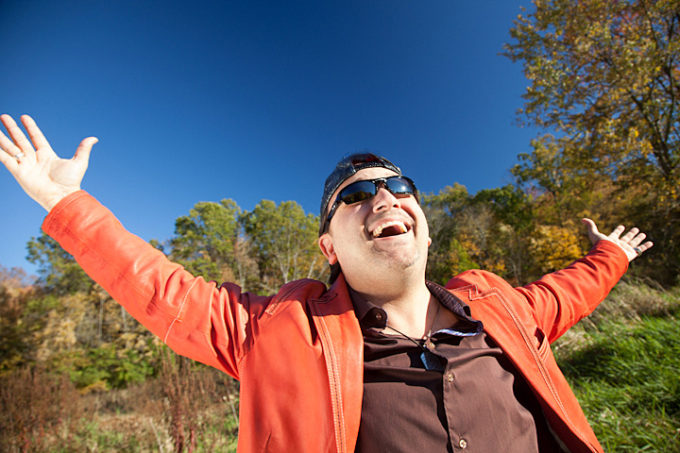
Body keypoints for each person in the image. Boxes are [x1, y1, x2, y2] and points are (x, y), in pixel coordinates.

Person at [0, 114, 653, 453]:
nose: (384, 196)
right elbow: (166, 292)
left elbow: (567, 293)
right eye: (358, 194)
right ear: (328, 246)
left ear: (421, 221)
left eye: (399, 185)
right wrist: (68, 205)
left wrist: (612, 255)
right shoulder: (279, 330)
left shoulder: (497, 304)